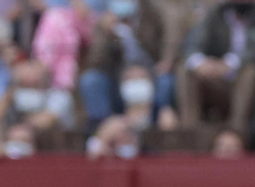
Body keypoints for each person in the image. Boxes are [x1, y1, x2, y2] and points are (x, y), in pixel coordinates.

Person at [80, 0, 191, 129]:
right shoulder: (105, 19)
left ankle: (162, 121)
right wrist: (106, 34)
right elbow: (96, 62)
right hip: (117, 79)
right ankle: (104, 129)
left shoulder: (153, 11)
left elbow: (172, 38)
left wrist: (163, 64)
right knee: (91, 80)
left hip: (152, 73)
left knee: (166, 81)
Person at [178, 0, 255, 130]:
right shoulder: (215, 13)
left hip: (252, 85)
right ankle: (189, 130)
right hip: (217, 78)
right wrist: (201, 64)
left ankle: (236, 130)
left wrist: (230, 63)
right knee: (185, 69)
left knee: (250, 70)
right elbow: (193, 43)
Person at [0, 55, 75, 129]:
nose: (28, 74)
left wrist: (21, 122)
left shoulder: (60, 95)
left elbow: (45, 121)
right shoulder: (15, 94)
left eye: (33, 70)